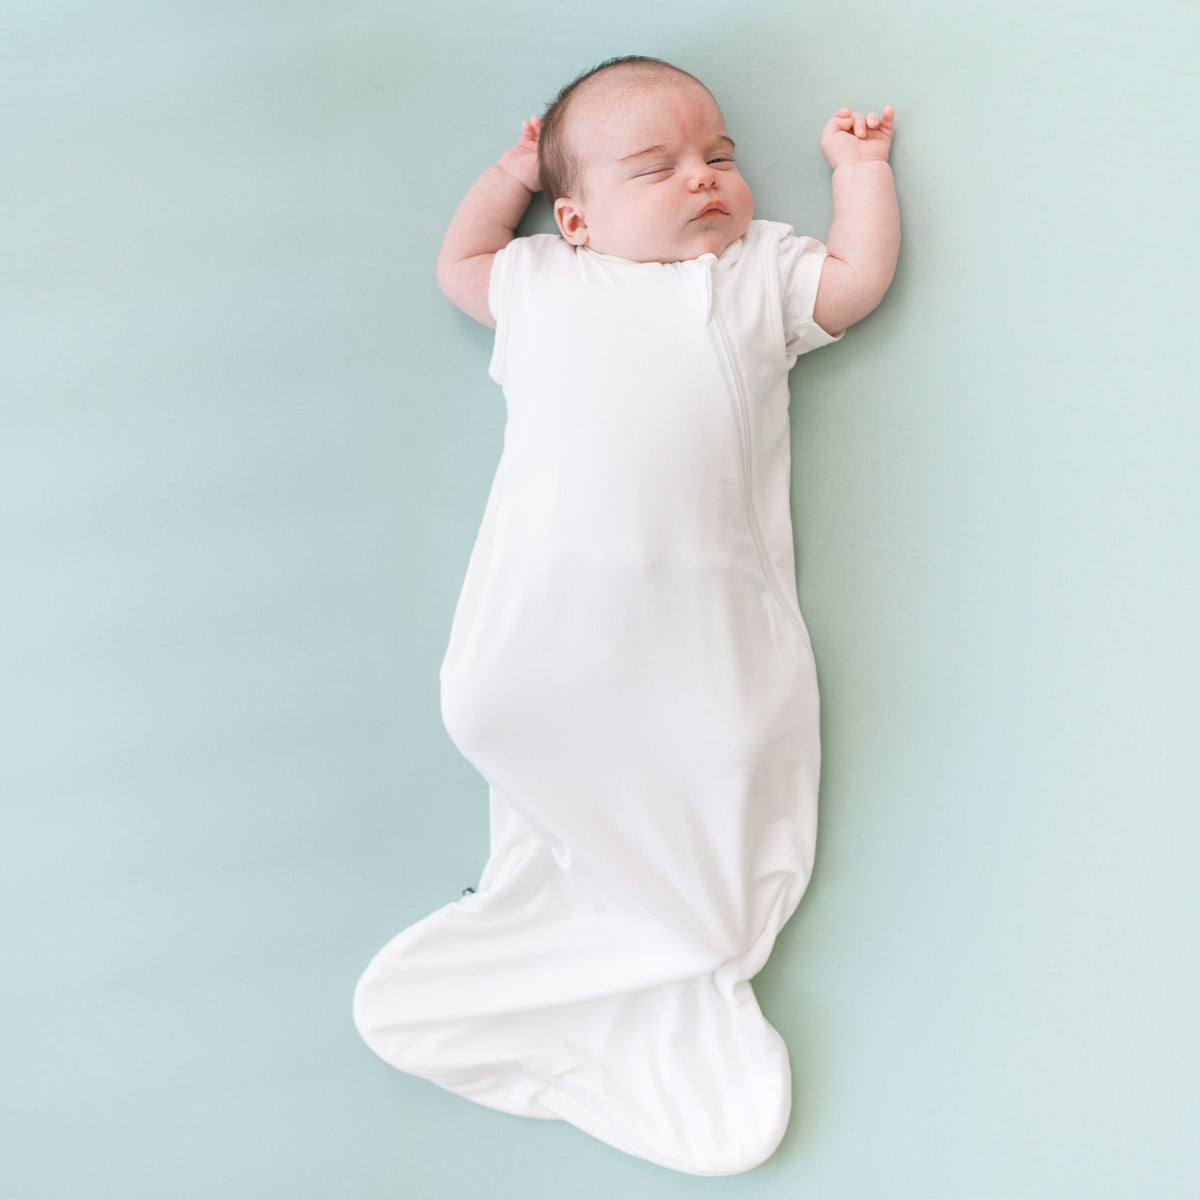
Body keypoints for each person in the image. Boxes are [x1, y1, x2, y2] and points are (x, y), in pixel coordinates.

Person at [354, 55, 900, 1176]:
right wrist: (506, 173)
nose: (704, 181)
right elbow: (460, 262)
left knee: (734, 743)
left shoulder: (753, 273)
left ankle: (674, 939)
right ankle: (588, 907)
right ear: (578, 218)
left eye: (721, 158)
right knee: (490, 708)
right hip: (546, 608)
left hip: (703, 615)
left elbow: (853, 283)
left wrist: (860, 171)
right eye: (658, 167)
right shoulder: (545, 278)